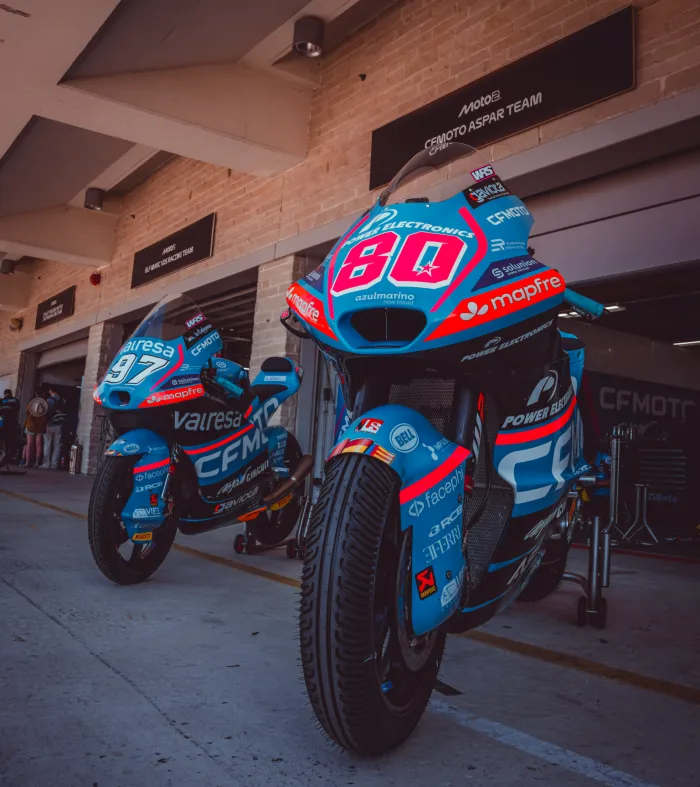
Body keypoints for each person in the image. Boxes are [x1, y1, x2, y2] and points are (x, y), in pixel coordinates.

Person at [42, 386, 67, 470]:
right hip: (59, 424)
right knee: (57, 444)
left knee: (47, 444)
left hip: (49, 424)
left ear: (51, 390)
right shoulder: (63, 400)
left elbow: (45, 411)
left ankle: (46, 464)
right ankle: (54, 464)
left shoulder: (49, 401)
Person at [24, 394, 46, 468]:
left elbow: (26, 413)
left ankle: (27, 462)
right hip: (40, 427)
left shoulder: (30, 406)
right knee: (38, 445)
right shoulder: (44, 407)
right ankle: (36, 463)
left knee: (29, 444)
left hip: (30, 426)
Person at [0, 388, 20, 466]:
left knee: (3, 440)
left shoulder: (2, 401)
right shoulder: (16, 400)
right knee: (11, 440)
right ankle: (9, 456)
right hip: (12, 423)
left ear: (5, 394)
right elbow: (17, 409)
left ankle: (3, 456)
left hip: (3, 424)